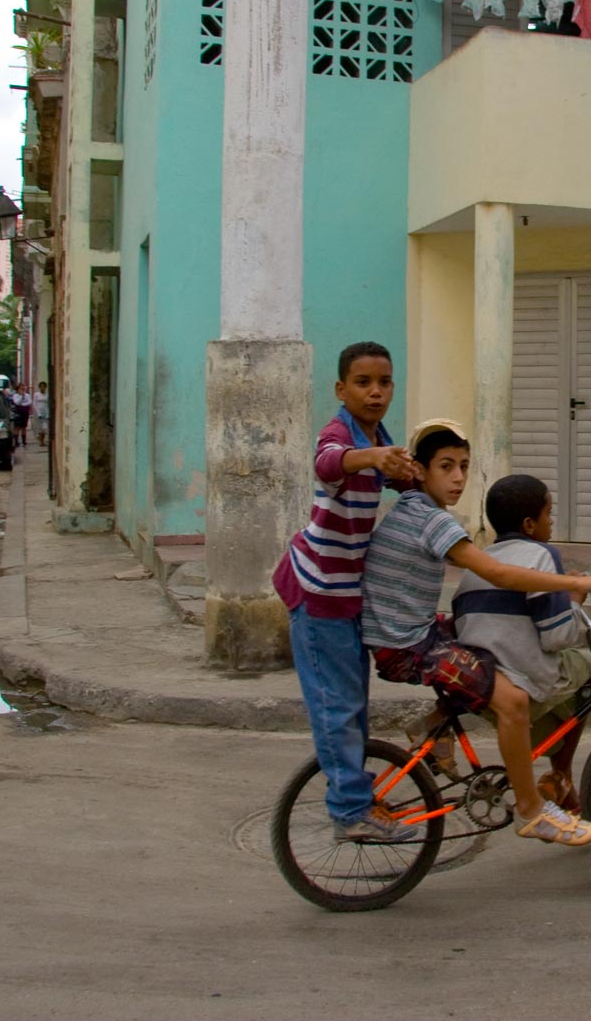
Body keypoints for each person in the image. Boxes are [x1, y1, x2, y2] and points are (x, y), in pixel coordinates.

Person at [361, 420, 591, 848]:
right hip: (408, 645)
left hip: (410, 634)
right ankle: (531, 810)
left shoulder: (412, 508)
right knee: (512, 700)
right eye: (446, 466)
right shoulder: (432, 520)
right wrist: (577, 583)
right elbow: (499, 573)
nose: (458, 477)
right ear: (420, 470)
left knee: (482, 650)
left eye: (463, 466)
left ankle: (436, 726)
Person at [270, 342, 421, 844]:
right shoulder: (340, 436)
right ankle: (350, 812)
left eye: (384, 382)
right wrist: (373, 458)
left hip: (349, 591)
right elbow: (330, 464)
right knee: (335, 706)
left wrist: (415, 476)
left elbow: (396, 478)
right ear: (341, 389)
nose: (376, 392)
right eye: (363, 383)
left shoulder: (379, 437)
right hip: (319, 593)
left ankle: (357, 793)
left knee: (354, 703)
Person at [452, 474, 591, 816]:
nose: (552, 522)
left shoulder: (479, 564)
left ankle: (566, 792)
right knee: (588, 666)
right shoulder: (542, 555)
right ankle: (561, 777)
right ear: (530, 524)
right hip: (519, 678)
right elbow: (557, 636)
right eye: (549, 514)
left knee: (565, 683)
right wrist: (574, 600)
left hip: (483, 680)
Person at [9, 382, 32, 447]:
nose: (22, 390)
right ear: (18, 389)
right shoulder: (15, 396)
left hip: (25, 412)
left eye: (23, 389)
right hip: (18, 413)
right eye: (21, 389)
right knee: (17, 427)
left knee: (24, 427)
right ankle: (16, 441)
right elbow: (17, 403)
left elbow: (29, 402)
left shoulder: (27, 395)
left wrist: (23, 404)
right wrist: (22, 397)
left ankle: (24, 441)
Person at [33, 382, 50, 447]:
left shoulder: (47, 395)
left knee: (44, 428)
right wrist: (38, 412)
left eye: (44, 387)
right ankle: (40, 441)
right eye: (41, 387)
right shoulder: (36, 394)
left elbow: (48, 404)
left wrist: (48, 414)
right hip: (38, 412)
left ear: (45, 387)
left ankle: (43, 440)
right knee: (39, 428)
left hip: (45, 412)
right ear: (39, 387)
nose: (42, 388)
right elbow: (34, 404)